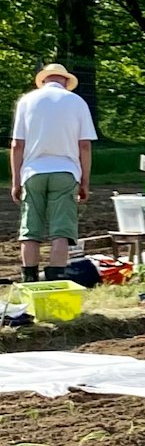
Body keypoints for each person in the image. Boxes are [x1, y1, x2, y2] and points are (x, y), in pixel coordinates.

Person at [10, 64, 96, 282]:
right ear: (66, 81)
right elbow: (84, 146)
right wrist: (85, 181)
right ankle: (55, 281)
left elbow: (16, 145)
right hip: (66, 172)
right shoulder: (77, 102)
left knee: (30, 231)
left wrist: (16, 181)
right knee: (61, 231)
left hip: (33, 172)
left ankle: (29, 280)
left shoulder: (27, 101)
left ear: (44, 80)